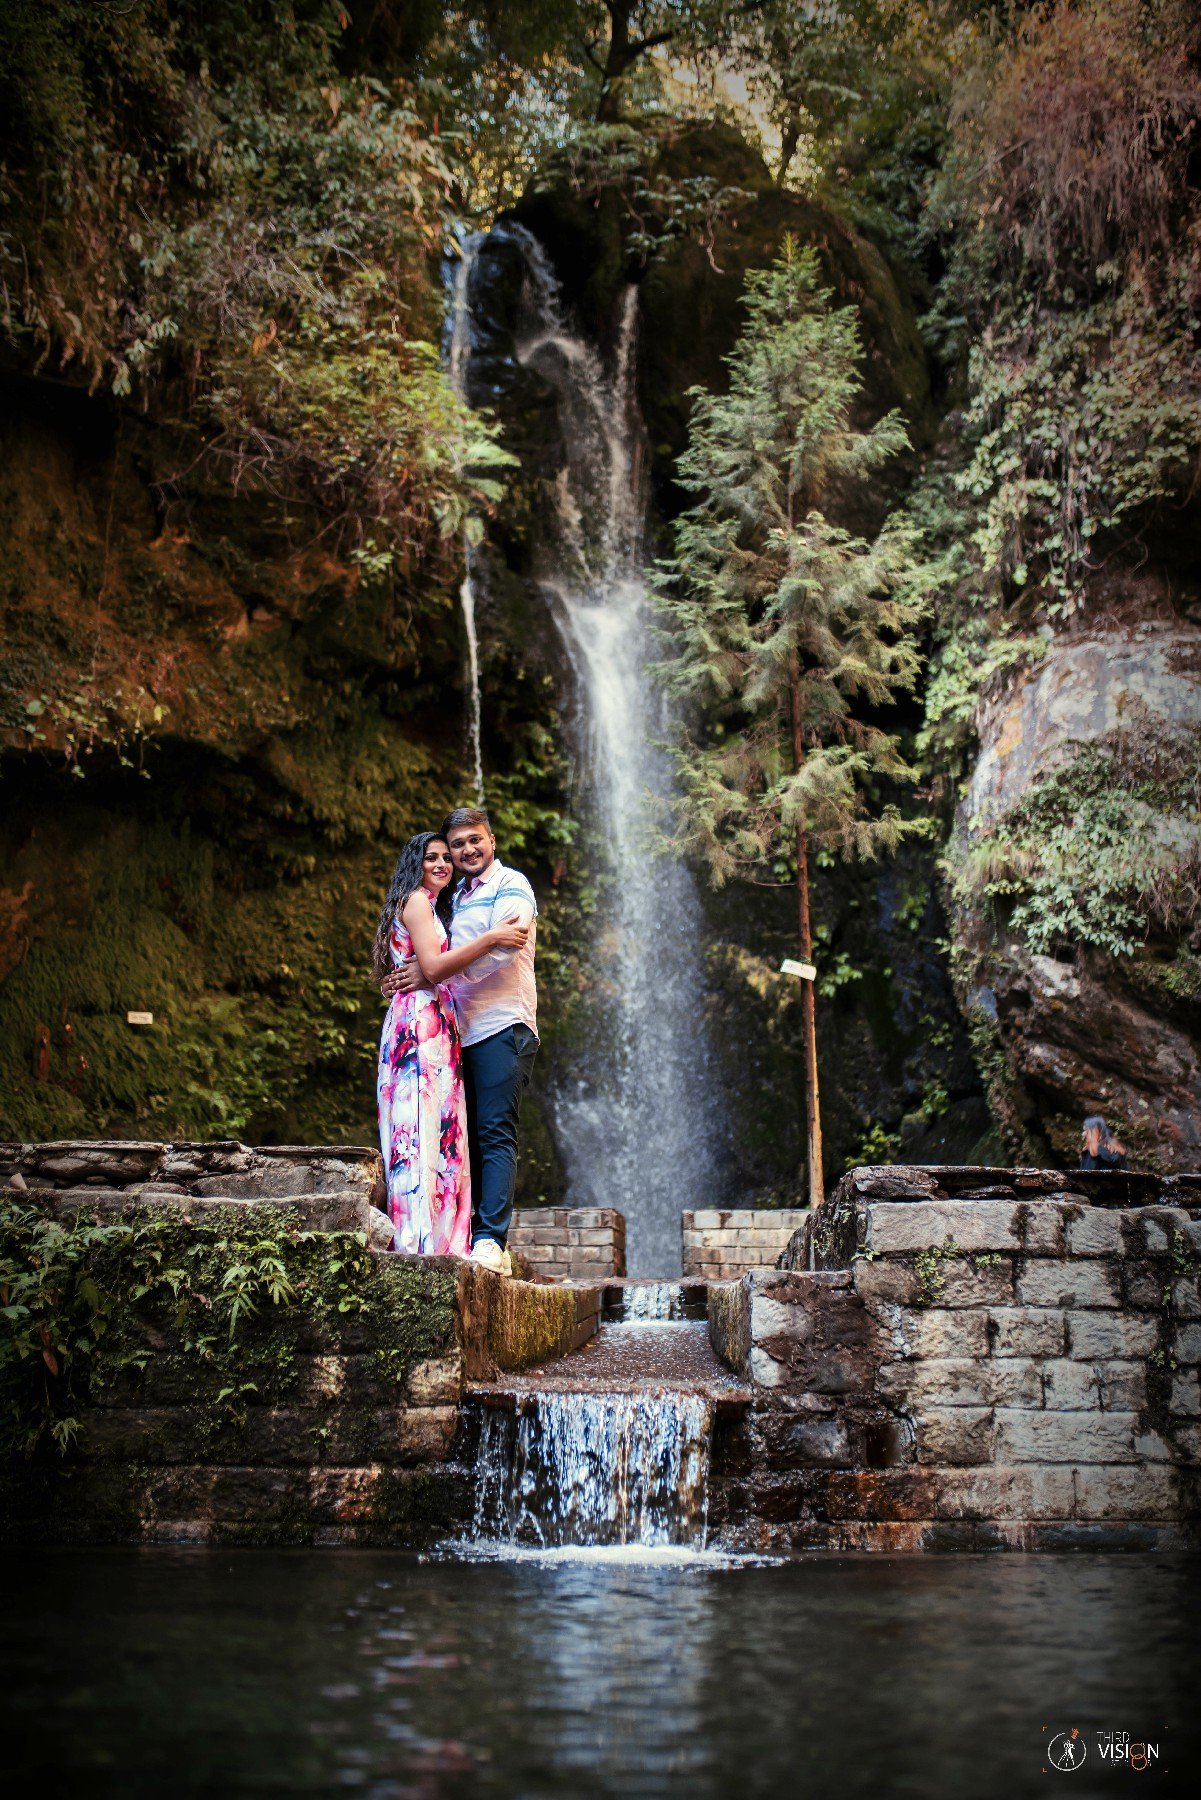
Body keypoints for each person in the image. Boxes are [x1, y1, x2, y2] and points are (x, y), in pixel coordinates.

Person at [382, 807, 538, 1275]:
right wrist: (431, 973)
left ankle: (491, 1242)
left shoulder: (512, 885)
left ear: (492, 839)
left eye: (475, 840)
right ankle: (453, 1232)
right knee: (454, 1139)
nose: (466, 851)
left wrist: (440, 973)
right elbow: (422, 951)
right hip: (450, 1034)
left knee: (494, 1133)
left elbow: (507, 945)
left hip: (499, 1025)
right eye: (457, 845)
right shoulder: (447, 899)